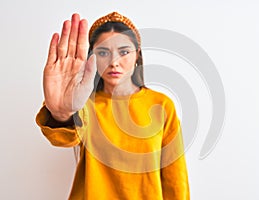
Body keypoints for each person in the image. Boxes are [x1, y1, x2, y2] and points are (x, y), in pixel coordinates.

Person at [36, 11, 190, 200]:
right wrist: (61, 113)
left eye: (124, 52)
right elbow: (64, 138)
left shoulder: (162, 105)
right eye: (103, 53)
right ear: (91, 57)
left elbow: (176, 180)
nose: (114, 62)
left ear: (137, 55)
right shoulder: (85, 105)